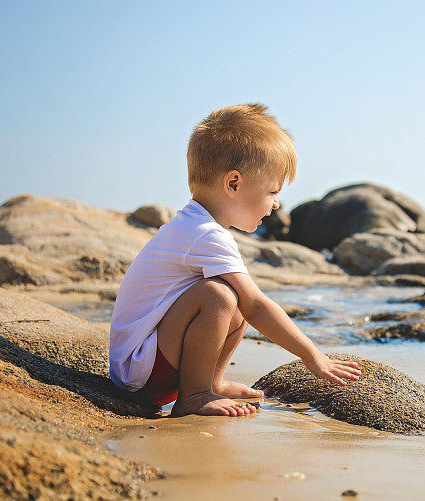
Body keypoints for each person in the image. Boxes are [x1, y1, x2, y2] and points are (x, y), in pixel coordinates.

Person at [109, 103, 361, 417]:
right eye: (272, 190)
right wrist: (311, 355)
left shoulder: (197, 225)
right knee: (220, 295)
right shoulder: (204, 233)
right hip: (140, 371)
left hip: (147, 363)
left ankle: (210, 382)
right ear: (233, 184)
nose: (276, 203)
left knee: (231, 296)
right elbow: (257, 305)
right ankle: (195, 395)